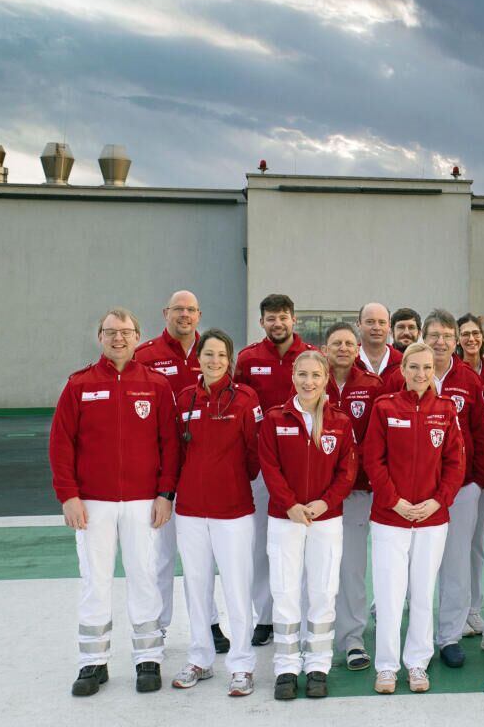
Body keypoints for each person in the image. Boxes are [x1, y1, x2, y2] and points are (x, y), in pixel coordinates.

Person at [49, 308, 179, 696]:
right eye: (110, 332)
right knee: (95, 580)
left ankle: (148, 658)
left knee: (145, 577)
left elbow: (170, 443)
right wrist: (69, 496)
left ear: (138, 337)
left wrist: (165, 493)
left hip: (144, 502)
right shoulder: (79, 384)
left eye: (125, 332)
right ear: (100, 337)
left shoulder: (156, 385)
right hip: (93, 503)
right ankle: (92, 663)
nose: (118, 338)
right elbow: (61, 444)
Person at [385, 311, 484, 669]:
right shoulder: (399, 377)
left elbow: (479, 433)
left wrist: (475, 481)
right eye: (434, 335)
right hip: (410, 494)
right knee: (413, 564)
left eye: (447, 336)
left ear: (456, 340)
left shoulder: (469, 379)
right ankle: (415, 633)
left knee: (456, 562)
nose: (441, 342)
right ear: (423, 338)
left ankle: (449, 636)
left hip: (459, 488)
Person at [364, 343, 466, 694]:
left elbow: (455, 463)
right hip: (390, 518)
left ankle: (417, 662)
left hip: (431, 520)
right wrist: (395, 502)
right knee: (389, 595)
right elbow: (373, 460)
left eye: (427, 368)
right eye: (414, 367)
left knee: (423, 593)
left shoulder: (446, 410)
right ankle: (387, 666)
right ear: (403, 370)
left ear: (433, 371)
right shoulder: (384, 407)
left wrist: (438, 502)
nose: (421, 374)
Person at [258, 350, 358, 700]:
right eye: (303, 374)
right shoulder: (275, 418)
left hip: (325, 520)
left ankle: (318, 665)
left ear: (326, 378)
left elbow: (347, 470)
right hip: (285, 519)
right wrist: (290, 504)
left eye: (316, 375)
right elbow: (269, 466)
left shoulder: (340, 421)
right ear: (293, 377)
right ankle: (286, 667)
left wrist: (325, 502)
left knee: (323, 591)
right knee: (285, 591)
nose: (309, 381)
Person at [133, 290, 227, 652]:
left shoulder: (212, 352)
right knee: (161, 556)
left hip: (202, 471)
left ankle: (210, 622)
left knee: (203, 558)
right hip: (161, 473)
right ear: (165, 313)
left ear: (199, 314)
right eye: (178, 310)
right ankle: (157, 625)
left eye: (190, 310)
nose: (184, 315)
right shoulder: (146, 355)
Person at [170, 329, 262, 696]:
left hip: (233, 510)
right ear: (199, 359)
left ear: (230, 360)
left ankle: (241, 664)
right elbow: (177, 451)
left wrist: (231, 479)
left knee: (237, 587)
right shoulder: (184, 399)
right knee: (196, 586)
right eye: (208, 354)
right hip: (190, 510)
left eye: (221, 355)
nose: (214, 361)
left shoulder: (246, 399)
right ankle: (201, 658)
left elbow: (254, 454)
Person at [234, 294, 319, 648]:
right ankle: (266, 617)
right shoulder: (248, 359)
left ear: (294, 319)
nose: (277, 323)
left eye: (283, 317)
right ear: (262, 322)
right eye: (271, 318)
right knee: (263, 545)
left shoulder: (311, 356)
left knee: (304, 543)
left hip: (303, 465)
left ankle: (304, 616)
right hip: (262, 466)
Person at [322, 322, 384, 671]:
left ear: (357, 348)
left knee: (352, 568)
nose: (343, 348)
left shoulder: (372, 386)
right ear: (325, 348)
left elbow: (377, 439)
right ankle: (316, 636)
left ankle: (352, 638)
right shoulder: (314, 381)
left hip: (358, 491)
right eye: (337, 343)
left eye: (349, 343)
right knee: (318, 568)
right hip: (319, 494)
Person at [357, 302, 404, 383]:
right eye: (370, 322)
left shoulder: (403, 362)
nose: (376, 327)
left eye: (382, 322)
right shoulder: (348, 360)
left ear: (389, 326)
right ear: (359, 324)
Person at [457, 313, 484, 378]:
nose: (471, 339)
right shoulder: (452, 371)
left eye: (475, 333)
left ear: (483, 337)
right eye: (465, 334)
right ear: (457, 340)